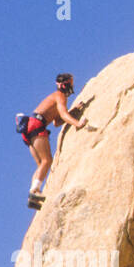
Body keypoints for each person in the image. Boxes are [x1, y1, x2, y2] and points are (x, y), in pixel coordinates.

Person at [17, 73, 87, 207]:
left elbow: (57, 121)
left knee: (41, 164)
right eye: (71, 83)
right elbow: (63, 115)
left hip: (28, 128)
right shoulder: (59, 96)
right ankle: (35, 190)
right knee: (47, 160)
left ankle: (33, 195)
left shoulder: (55, 97)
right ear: (67, 84)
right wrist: (78, 124)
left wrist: (74, 111)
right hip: (37, 125)